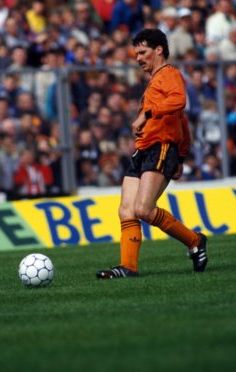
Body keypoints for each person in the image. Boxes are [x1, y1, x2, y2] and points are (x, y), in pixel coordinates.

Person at [96, 28, 208, 279]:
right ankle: (127, 267)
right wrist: (182, 156)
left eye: (142, 52)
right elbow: (182, 121)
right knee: (126, 209)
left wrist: (147, 114)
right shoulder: (154, 81)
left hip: (160, 147)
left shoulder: (169, 74)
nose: (138, 58)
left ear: (159, 50)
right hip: (144, 149)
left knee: (144, 209)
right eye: (136, 53)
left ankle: (195, 241)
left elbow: (179, 102)